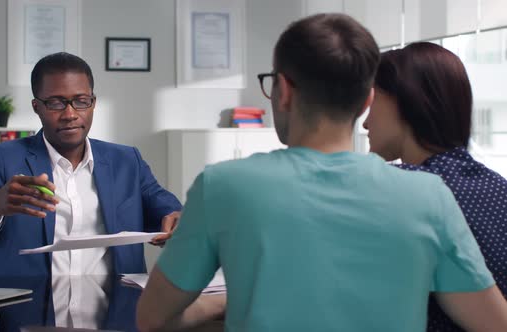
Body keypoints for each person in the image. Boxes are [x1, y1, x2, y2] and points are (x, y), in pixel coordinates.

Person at [136, 14, 507, 332]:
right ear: (366, 101)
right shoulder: (430, 195)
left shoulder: (221, 186)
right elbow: (494, 323)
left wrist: (226, 302)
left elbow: (151, 317)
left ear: (283, 91)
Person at [0, 52, 182, 277]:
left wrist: (177, 218)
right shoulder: (4, 158)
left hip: (117, 310)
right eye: (56, 103)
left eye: (80, 102)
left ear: (93, 103)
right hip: (29, 309)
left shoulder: (126, 161)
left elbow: (166, 208)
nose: (70, 114)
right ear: (37, 107)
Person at [362, 42, 507, 331]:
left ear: (403, 100)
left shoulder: (404, 191)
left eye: (373, 99)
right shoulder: (498, 187)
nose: (365, 122)